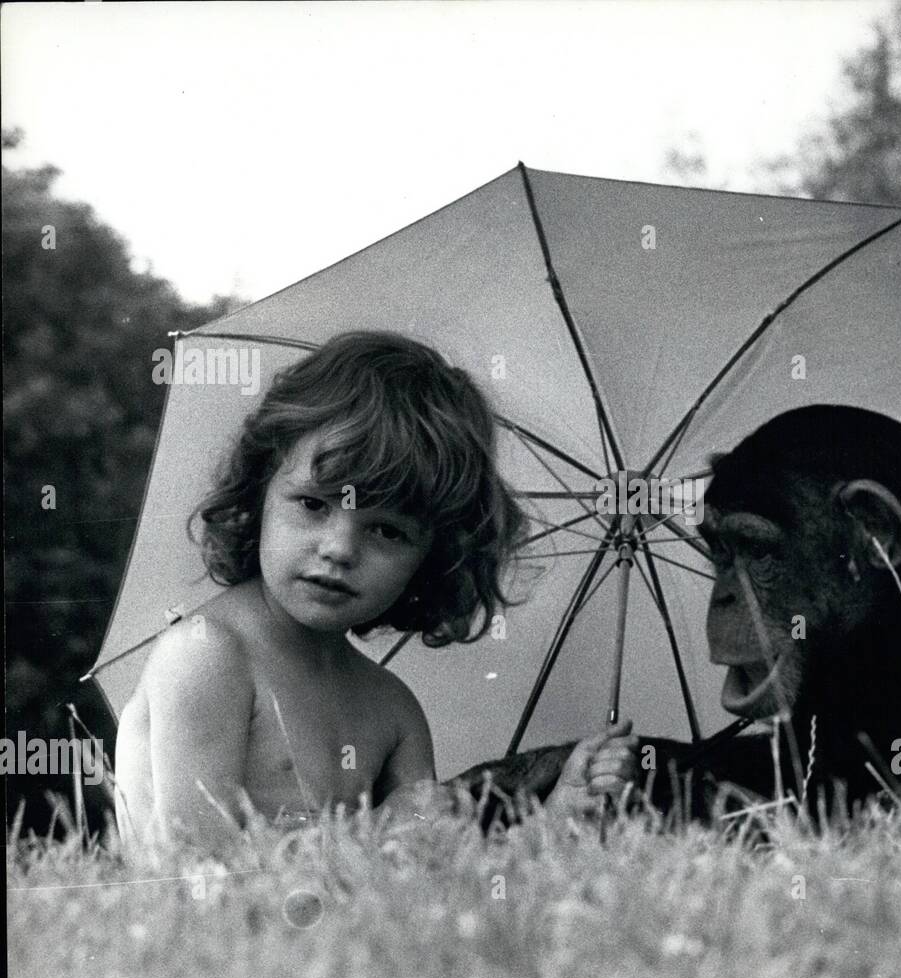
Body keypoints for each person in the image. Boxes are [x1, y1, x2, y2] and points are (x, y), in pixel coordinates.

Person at [114, 331, 636, 849]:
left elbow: (434, 879)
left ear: (433, 557)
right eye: (313, 505)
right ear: (261, 489)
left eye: (387, 530)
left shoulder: (392, 710)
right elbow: (193, 865)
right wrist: (378, 831)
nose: (340, 549)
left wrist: (547, 826)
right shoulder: (208, 654)